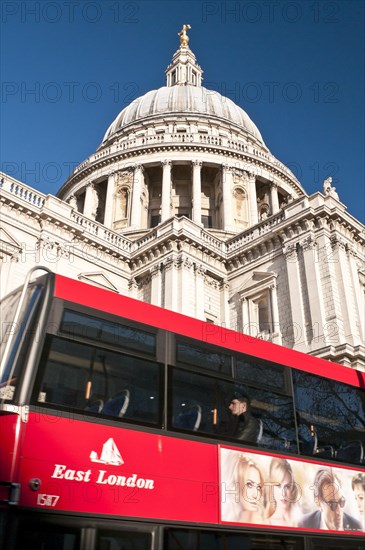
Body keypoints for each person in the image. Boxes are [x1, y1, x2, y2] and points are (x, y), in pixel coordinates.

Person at [265, 458, 299, 527]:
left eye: (287, 486)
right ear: (271, 488)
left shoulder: (301, 522)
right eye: (278, 485)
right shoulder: (266, 523)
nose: (283, 494)